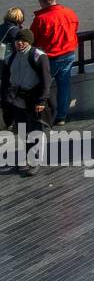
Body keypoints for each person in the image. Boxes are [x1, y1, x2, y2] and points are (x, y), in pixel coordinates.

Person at [1, 30, 52, 176]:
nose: (20, 43)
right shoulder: (10, 57)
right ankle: (26, 157)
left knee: (35, 130)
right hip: (17, 99)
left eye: (23, 40)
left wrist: (42, 100)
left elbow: (46, 80)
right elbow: (5, 80)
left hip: (34, 99)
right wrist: (4, 99)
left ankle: (35, 161)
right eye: (18, 40)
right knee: (22, 130)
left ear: (30, 41)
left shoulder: (38, 56)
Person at [29, 0, 78, 126]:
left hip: (49, 57)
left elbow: (32, 39)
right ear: (55, 0)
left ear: (42, 3)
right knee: (64, 86)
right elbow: (75, 29)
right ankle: (61, 116)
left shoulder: (41, 19)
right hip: (69, 54)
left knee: (41, 86)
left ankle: (42, 116)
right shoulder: (70, 12)